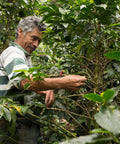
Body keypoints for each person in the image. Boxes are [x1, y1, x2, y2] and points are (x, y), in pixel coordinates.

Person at [0, 16, 86, 144]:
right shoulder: (13, 53)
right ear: (20, 32)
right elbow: (25, 82)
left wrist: (44, 89)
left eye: (39, 41)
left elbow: (29, 82)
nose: (36, 45)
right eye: (34, 38)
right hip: (12, 122)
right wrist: (62, 82)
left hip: (21, 120)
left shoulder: (24, 56)